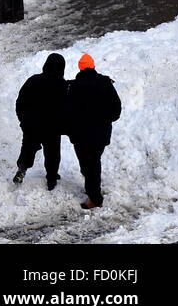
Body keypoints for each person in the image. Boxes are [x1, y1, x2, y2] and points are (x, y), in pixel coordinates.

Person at [64, 53, 121, 209]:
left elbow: (67, 111)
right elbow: (116, 109)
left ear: (80, 68)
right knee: (92, 162)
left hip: (80, 135)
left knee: (90, 164)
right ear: (93, 66)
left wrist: (70, 129)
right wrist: (105, 119)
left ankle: (95, 199)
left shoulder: (73, 87)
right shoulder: (106, 83)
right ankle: (92, 184)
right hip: (100, 133)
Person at [12, 52, 67, 189]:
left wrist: (23, 120)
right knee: (52, 153)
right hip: (51, 127)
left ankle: (22, 170)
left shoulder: (33, 80)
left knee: (28, 149)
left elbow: (20, 102)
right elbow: (66, 108)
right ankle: (51, 178)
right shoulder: (62, 85)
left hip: (31, 124)